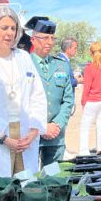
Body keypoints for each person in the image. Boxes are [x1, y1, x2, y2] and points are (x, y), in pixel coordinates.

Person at [0, 6, 47, 181]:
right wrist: (3, 137)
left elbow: (38, 96)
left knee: (27, 188)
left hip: (25, 134)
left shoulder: (24, 58)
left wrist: (34, 131)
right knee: (1, 193)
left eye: (13, 28)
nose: (9, 33)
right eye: (4, 28)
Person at [29, 20, 74, 166]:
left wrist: (57, 124)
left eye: (52, 38)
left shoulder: (61, 65)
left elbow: (68, 100)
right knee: (30, 182)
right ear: (33, 40)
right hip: (31, 135)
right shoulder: (24, 64)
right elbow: (19, 102)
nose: (49, 42)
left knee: (54, 181)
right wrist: (42, 127)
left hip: (56, 135)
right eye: (44, 38)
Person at [78, 41, 101, 155]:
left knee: (85, 126)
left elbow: (86, 87)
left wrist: (83, 102)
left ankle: (84, 151)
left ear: (91, 53)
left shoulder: (89, 68)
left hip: (93, 100)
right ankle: (100, 149)